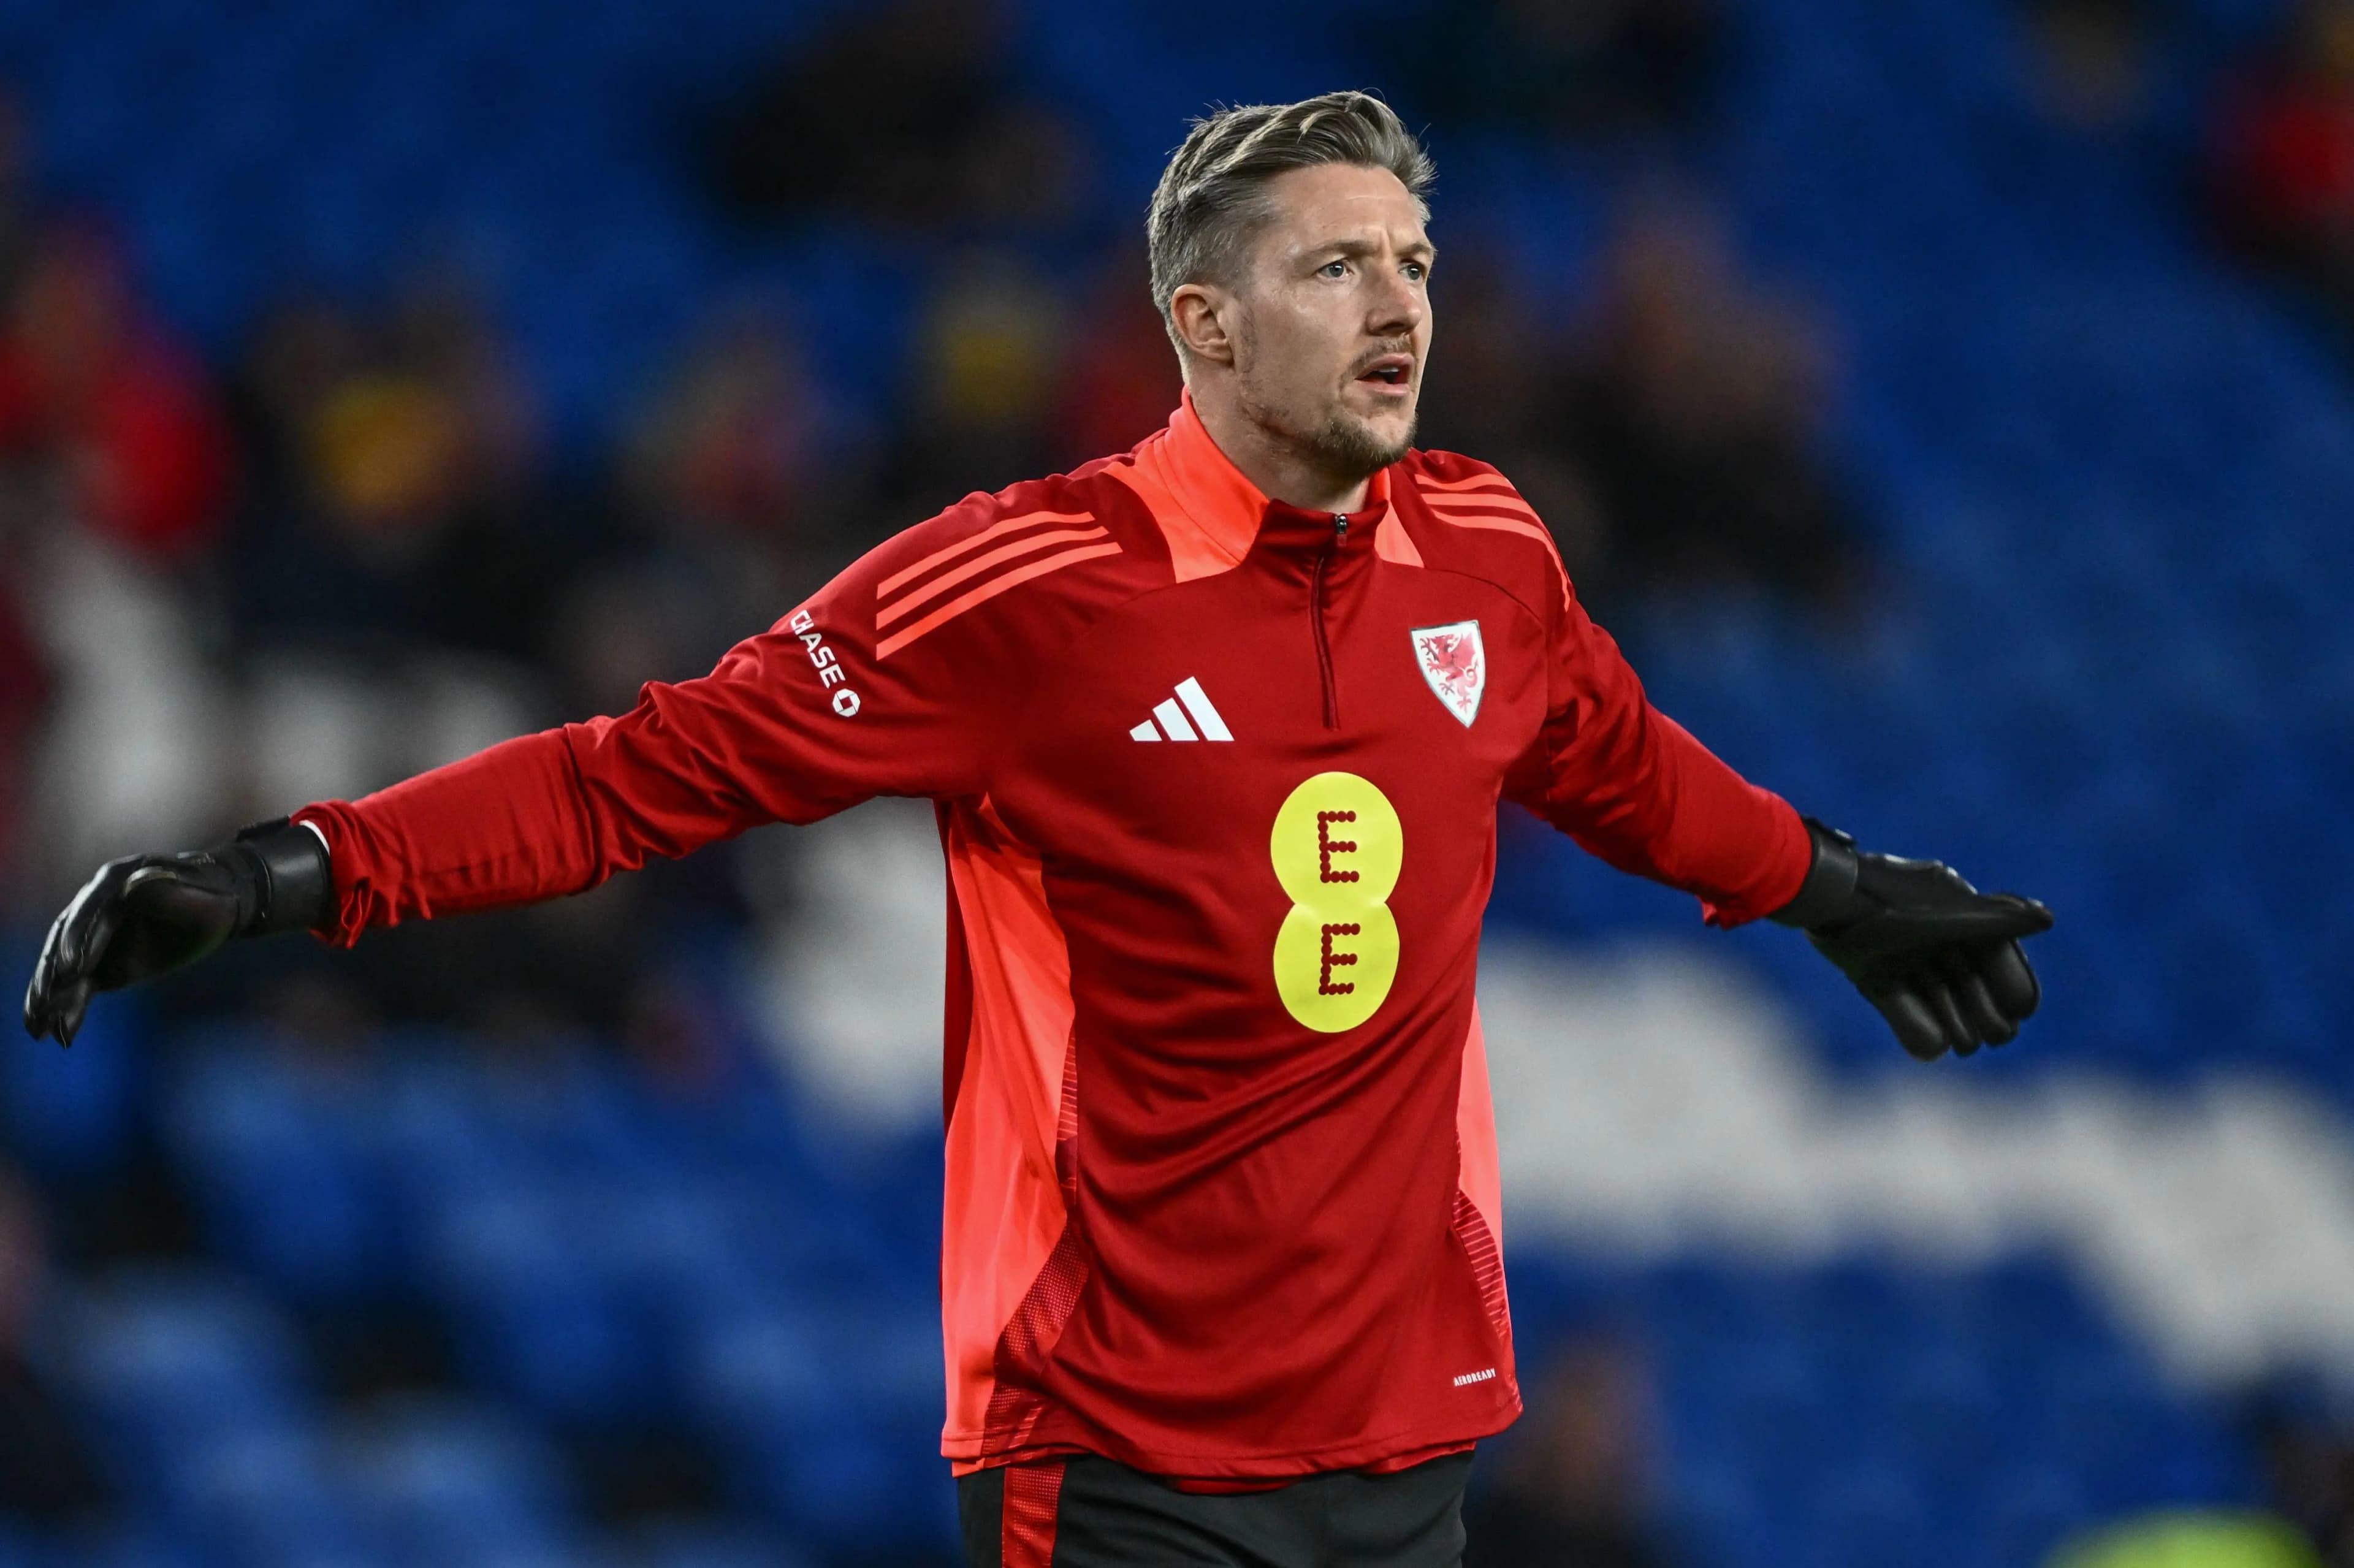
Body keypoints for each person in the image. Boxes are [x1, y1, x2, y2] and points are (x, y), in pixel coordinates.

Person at [21, 93, 2051, 1568]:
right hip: (1133, 1451)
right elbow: (645, 772)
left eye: (1413, 263)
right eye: (1333, 267)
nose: (1396, 309)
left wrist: (1840, 893)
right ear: (1203, 324)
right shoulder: (1020, 588)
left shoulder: (1489, 552)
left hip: (1416, 1437)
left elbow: (1623, 763)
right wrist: (300, 869)